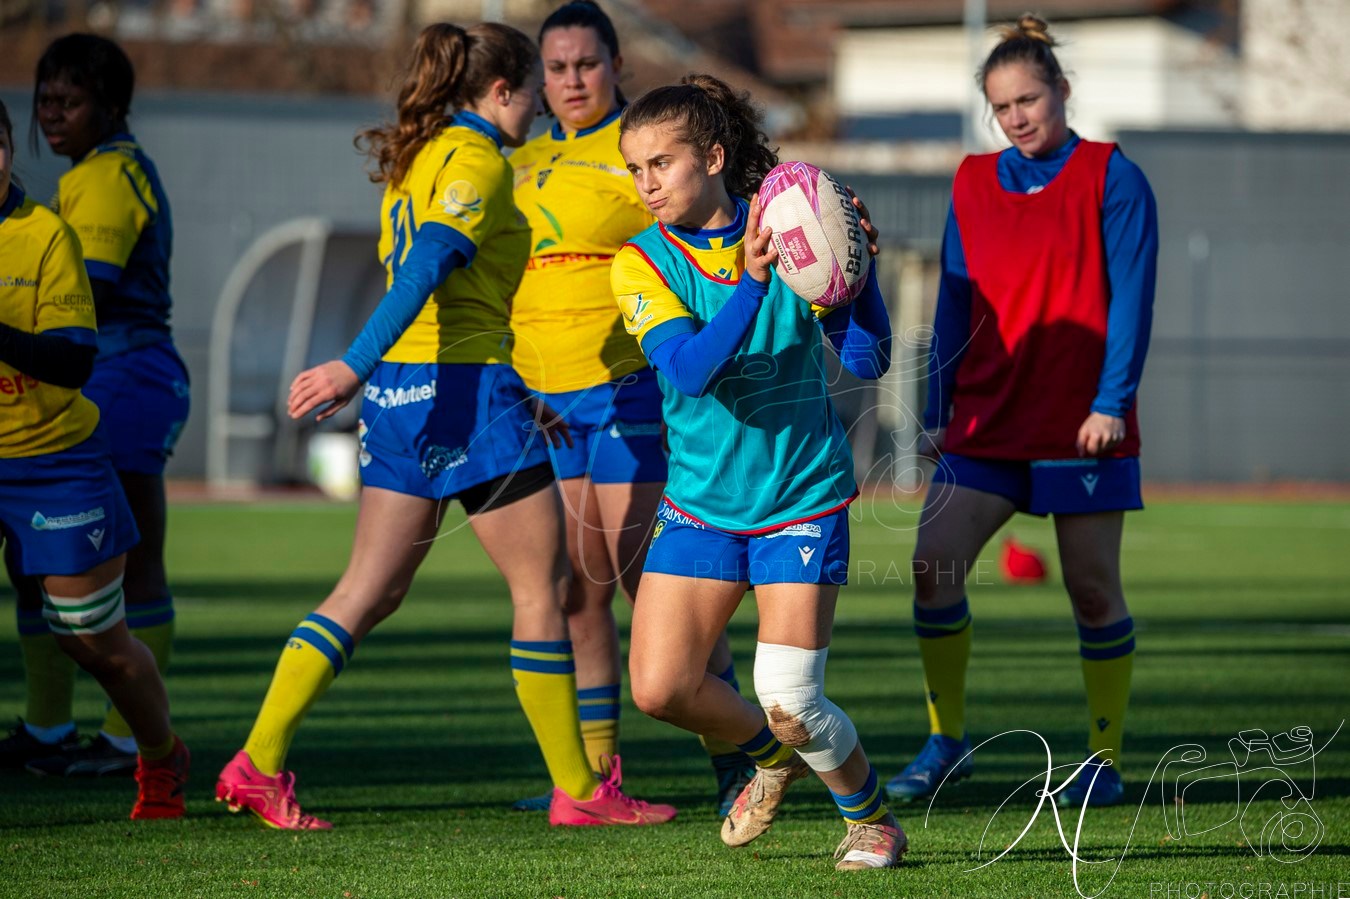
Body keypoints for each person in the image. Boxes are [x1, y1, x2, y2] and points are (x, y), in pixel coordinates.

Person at [214, 21, 676, 831]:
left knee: (368, 591)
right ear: (501, 92)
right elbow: (430, 265)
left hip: (405, 397)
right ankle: (579, 788)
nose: (540, 105)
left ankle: (258, 759)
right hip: (457, 391)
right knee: (547, 588)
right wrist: (350, 362)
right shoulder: (477, 163)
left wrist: (378, 376)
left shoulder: (419, 158)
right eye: (534, 87)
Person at [613, 74, 906, 870]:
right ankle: (767, 759)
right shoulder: (639, 263)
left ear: (712, 157)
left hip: (800, 499)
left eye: (660, 164)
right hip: (703, 505)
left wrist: (855, 278)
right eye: (634, 169)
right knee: (660, 689)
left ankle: (871, 819)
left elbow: (869, 359)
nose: (645, 184)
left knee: (794, 701)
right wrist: (749, 283)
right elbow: (690, 372)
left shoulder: (793, 231)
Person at [884, 14, 1157, 809]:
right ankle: (946, 743)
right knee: (933, 564)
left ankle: (1103, 758)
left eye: (1029, 99)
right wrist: (938, 406)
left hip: (1081, 423)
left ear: (1062, 90)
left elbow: (1133, 304)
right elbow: (956, 296)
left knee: (1094, 592)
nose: (1017, 118)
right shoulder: (971, 181)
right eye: (1002, 107)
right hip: (987, 420)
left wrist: (1111, 402)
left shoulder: (1115, 177)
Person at [508, 0, 753, 815]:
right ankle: (599, 776)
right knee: (582, 591)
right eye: (556, 66)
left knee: (655, 585)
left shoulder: (641, 154)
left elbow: (707, 239)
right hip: (545, 400)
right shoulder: (526, 158)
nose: (571, 79)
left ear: (616, 64)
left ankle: (737, 757)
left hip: (628, 389)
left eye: (586, 63)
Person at [0, 34, 190, 778]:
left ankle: (122, 735)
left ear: (110, 105)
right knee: (31, 568)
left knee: (134, 567)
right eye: (44, 99)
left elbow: (88, 299)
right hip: (95, 378)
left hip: (123, 375)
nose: (53, 114)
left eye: (69, 101)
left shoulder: (105, 180)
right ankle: (47, 727)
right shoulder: (87, 175)